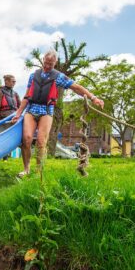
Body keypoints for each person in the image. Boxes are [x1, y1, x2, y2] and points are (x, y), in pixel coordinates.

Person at [12, 49, 104, 178]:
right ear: (43, 59)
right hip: (31, 110)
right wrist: (18, 113)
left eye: (51, 64)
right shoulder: (34, 75)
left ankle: (39, 172)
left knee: (41, 142)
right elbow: (27, 96)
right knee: (26, 139)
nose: (48, 66)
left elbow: (76, 87)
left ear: (55, 63)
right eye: (46, 62)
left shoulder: (59, 76)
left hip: (46, 112)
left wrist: (93, 97)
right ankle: (26, 169)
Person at [0, 75, 21, 160]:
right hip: (4, 118)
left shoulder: (15, 94)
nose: (14, 83)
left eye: (15, 81)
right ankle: (4, 157)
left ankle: (9, 155)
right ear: (7, 82)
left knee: (12, 137)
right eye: (13, 81)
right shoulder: (0, 93)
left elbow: (20, 107)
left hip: (14, 117)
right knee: (5, 137)